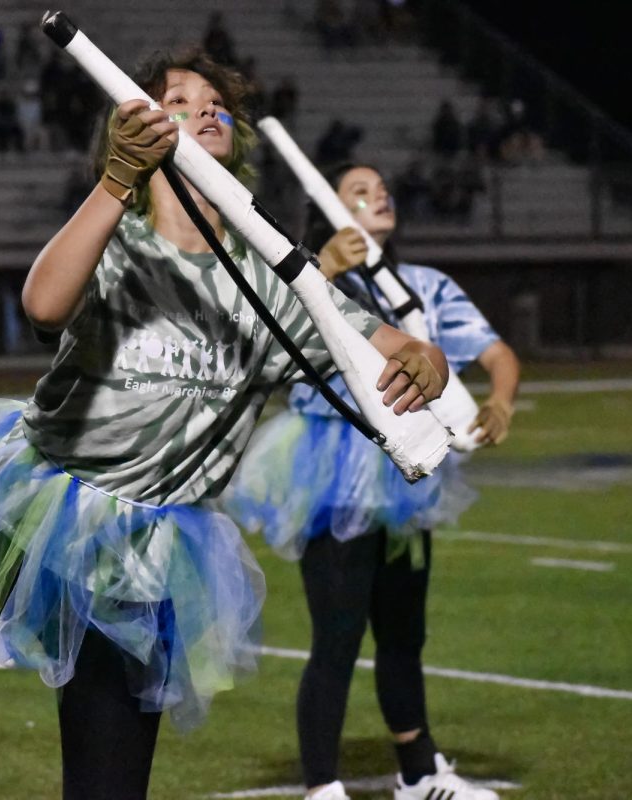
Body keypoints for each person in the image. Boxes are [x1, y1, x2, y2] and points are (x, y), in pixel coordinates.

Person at [0, 51, 448, 800]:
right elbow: (44, 305)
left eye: (217, 103)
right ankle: (2, 590)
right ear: (136, 122)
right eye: (178, 98)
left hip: (140, 556)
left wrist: (423, 355)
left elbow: (385, 342)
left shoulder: (276, 280)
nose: (206, 108)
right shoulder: (117, 234)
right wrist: (115, 181)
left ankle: (29, 610)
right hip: (30, 507)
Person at [224, 162, 520, 800]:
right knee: (338, 635)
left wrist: (500, 400)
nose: (377, 196)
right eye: (359, 191)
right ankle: (322, 787)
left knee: (404, 634)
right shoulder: (300, 273)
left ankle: (418, 772)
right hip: (329, 469)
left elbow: (497, 352)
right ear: (328, 208)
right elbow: (258, 351)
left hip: (405, 472)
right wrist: (323, 263)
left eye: (382, 190)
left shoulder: (424, 284)